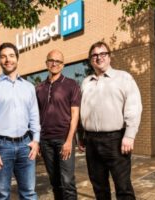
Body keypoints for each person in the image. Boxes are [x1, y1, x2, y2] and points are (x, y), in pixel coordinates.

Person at [79, 41, 142, 200]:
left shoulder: (123, 77)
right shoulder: (86, 83)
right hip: (91, 141)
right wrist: (81, 136)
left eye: (103, 54)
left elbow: (134, 107)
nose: (99, 58)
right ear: (90, 59)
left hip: (115, 140)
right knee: (99, 187)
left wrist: (129, 135)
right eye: (94, 55)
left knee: (123, 187)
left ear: (109, 57)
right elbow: (82, 111)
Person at [0, 42, 40, 200]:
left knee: (29, 193)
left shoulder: (29, 87)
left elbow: (34, 115)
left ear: (17, 59)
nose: (8, 60)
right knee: (3, 194)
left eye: (11, 56)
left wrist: (36, 140)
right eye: (3, 57)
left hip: (26, 145)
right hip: (1, 147)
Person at [36, 50, 81, 200]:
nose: (54, 63)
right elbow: (35, 117)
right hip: (45, 141)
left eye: (58, 61)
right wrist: (38, 142)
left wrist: (69, 140)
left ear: (63, 65)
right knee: (54, 182)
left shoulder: (71, 84)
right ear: (46, 63)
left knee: (67, 181)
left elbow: (75, 115)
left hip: (64, 140)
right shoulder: (39, 88)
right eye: (51, 60)